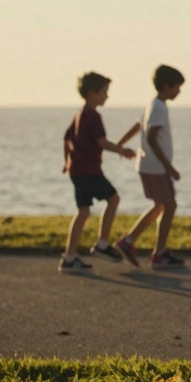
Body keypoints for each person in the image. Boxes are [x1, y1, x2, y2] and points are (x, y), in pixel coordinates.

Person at [60, 72, 137, 272]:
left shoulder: (79, 114)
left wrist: (66, 162)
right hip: (89, 171)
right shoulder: (93, 116)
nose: (107, 96)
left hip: (77, 170)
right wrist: (122, 150)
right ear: (92, 93)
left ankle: (69, 257)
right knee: (113, 199)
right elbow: (101, 142)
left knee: (83, 211)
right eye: (104, 92)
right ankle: (102, 244)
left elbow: (66, 138)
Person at [114, 65, 187, 269]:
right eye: (177, 87)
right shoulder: (159, 107)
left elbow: (139, 126)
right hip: (155, 166)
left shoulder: (152, 105)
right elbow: (153, 137)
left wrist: (120, 144)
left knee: (160, 205)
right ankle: (159, 253)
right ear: (166, 86)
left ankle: (129, 242)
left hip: (148, 165)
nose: (179, 91)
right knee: (169, 205)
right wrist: (168, 166)